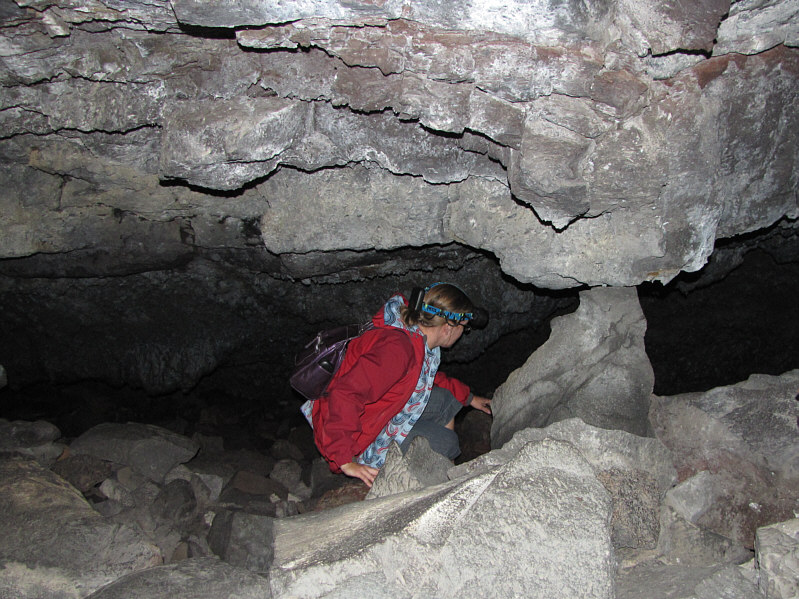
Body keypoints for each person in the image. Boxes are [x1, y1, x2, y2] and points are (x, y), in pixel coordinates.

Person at [301, 283, 491, 487]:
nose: (463, 333)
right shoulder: (397, 349)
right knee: (447, 442)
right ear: (448, 328)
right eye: (464, 328)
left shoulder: (415, 335)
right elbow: (345, 394)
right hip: (360, 437)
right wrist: (344, 459)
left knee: (445, 400)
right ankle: (439, 486)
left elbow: (425, 376)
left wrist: (470, 398)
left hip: (379, 415)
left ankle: (434, 471)